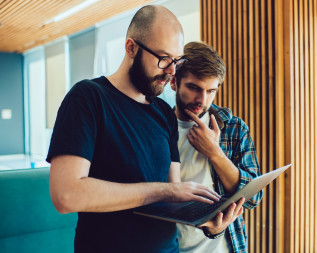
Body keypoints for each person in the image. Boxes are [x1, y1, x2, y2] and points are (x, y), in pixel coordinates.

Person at [46, 6, 222, 253]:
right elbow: (66, 196)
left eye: (177, 60)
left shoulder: (163, 113)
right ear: (131, 48)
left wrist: (207, 222)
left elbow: (173, 198)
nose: (172, 71)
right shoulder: (87, 98)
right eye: (163, 58)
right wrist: (164, 190)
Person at [170, 41, 263, 253]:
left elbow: (253, 199)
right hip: (171, 246)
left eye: (211, 91)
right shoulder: (156, 129)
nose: (202, 100)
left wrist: (215, 152)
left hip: (224, 247)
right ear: (174, 82)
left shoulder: (233, 127)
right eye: (194, 88)